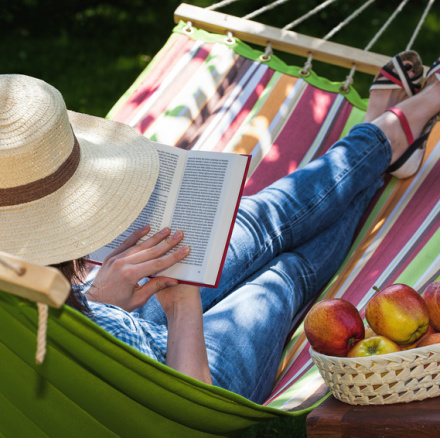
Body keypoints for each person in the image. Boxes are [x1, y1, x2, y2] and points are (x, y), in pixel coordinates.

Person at [1, 51, 440, 404]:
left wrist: (96, 302)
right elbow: (182, 415)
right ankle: (395, 128)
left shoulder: (25, 294)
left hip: (101, 305)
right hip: (192, 375)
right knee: (282, 274)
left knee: (259, 219)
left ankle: (381, 139)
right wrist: (182, 306)